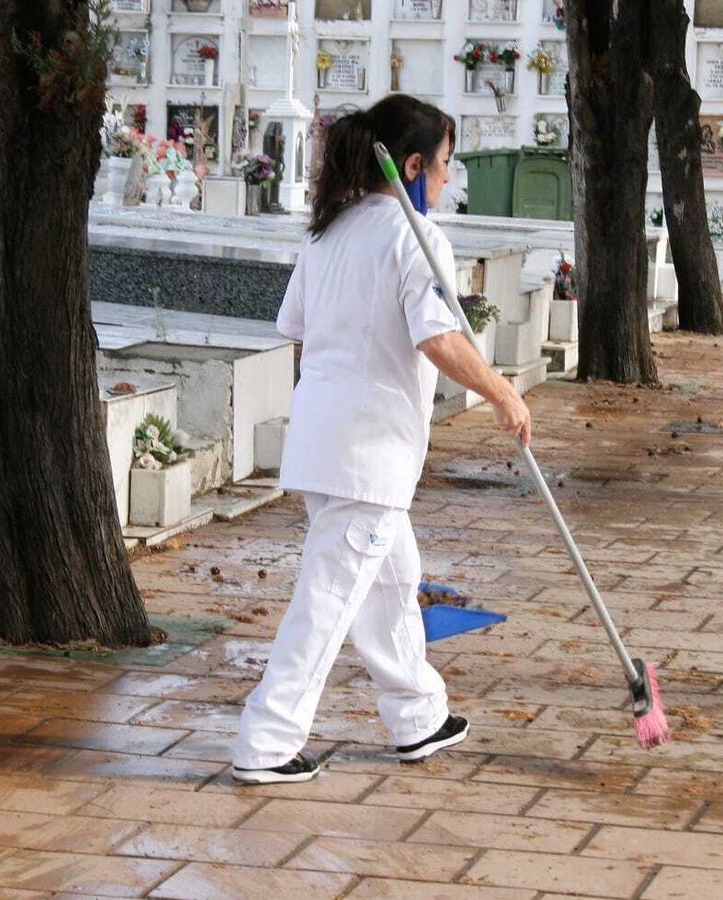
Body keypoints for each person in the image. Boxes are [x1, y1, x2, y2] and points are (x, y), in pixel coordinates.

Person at [231, 95, 533, 784]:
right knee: (329, 599)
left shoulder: (327, 231)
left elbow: (298, 326)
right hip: (367, 453)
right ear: (416, 164)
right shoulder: (413, 236)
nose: (450, 179)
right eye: (446, 164)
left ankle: (418, 715)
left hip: (325, 441)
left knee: (391, 584)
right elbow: (437, 339)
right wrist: (502, 392)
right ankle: (266, 740)